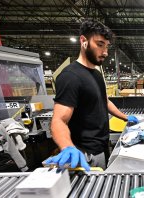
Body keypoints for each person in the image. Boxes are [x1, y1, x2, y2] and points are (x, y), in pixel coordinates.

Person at [46, 19, 138, 171]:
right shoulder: (70, 76)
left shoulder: (96, 74)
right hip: (86, 155)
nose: (105, 52)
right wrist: (67, 147)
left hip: (102, 146)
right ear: (83, 41)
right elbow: (59, 120)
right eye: (100, 44)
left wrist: (125, 117)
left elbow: (104, 100)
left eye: (107, 46)